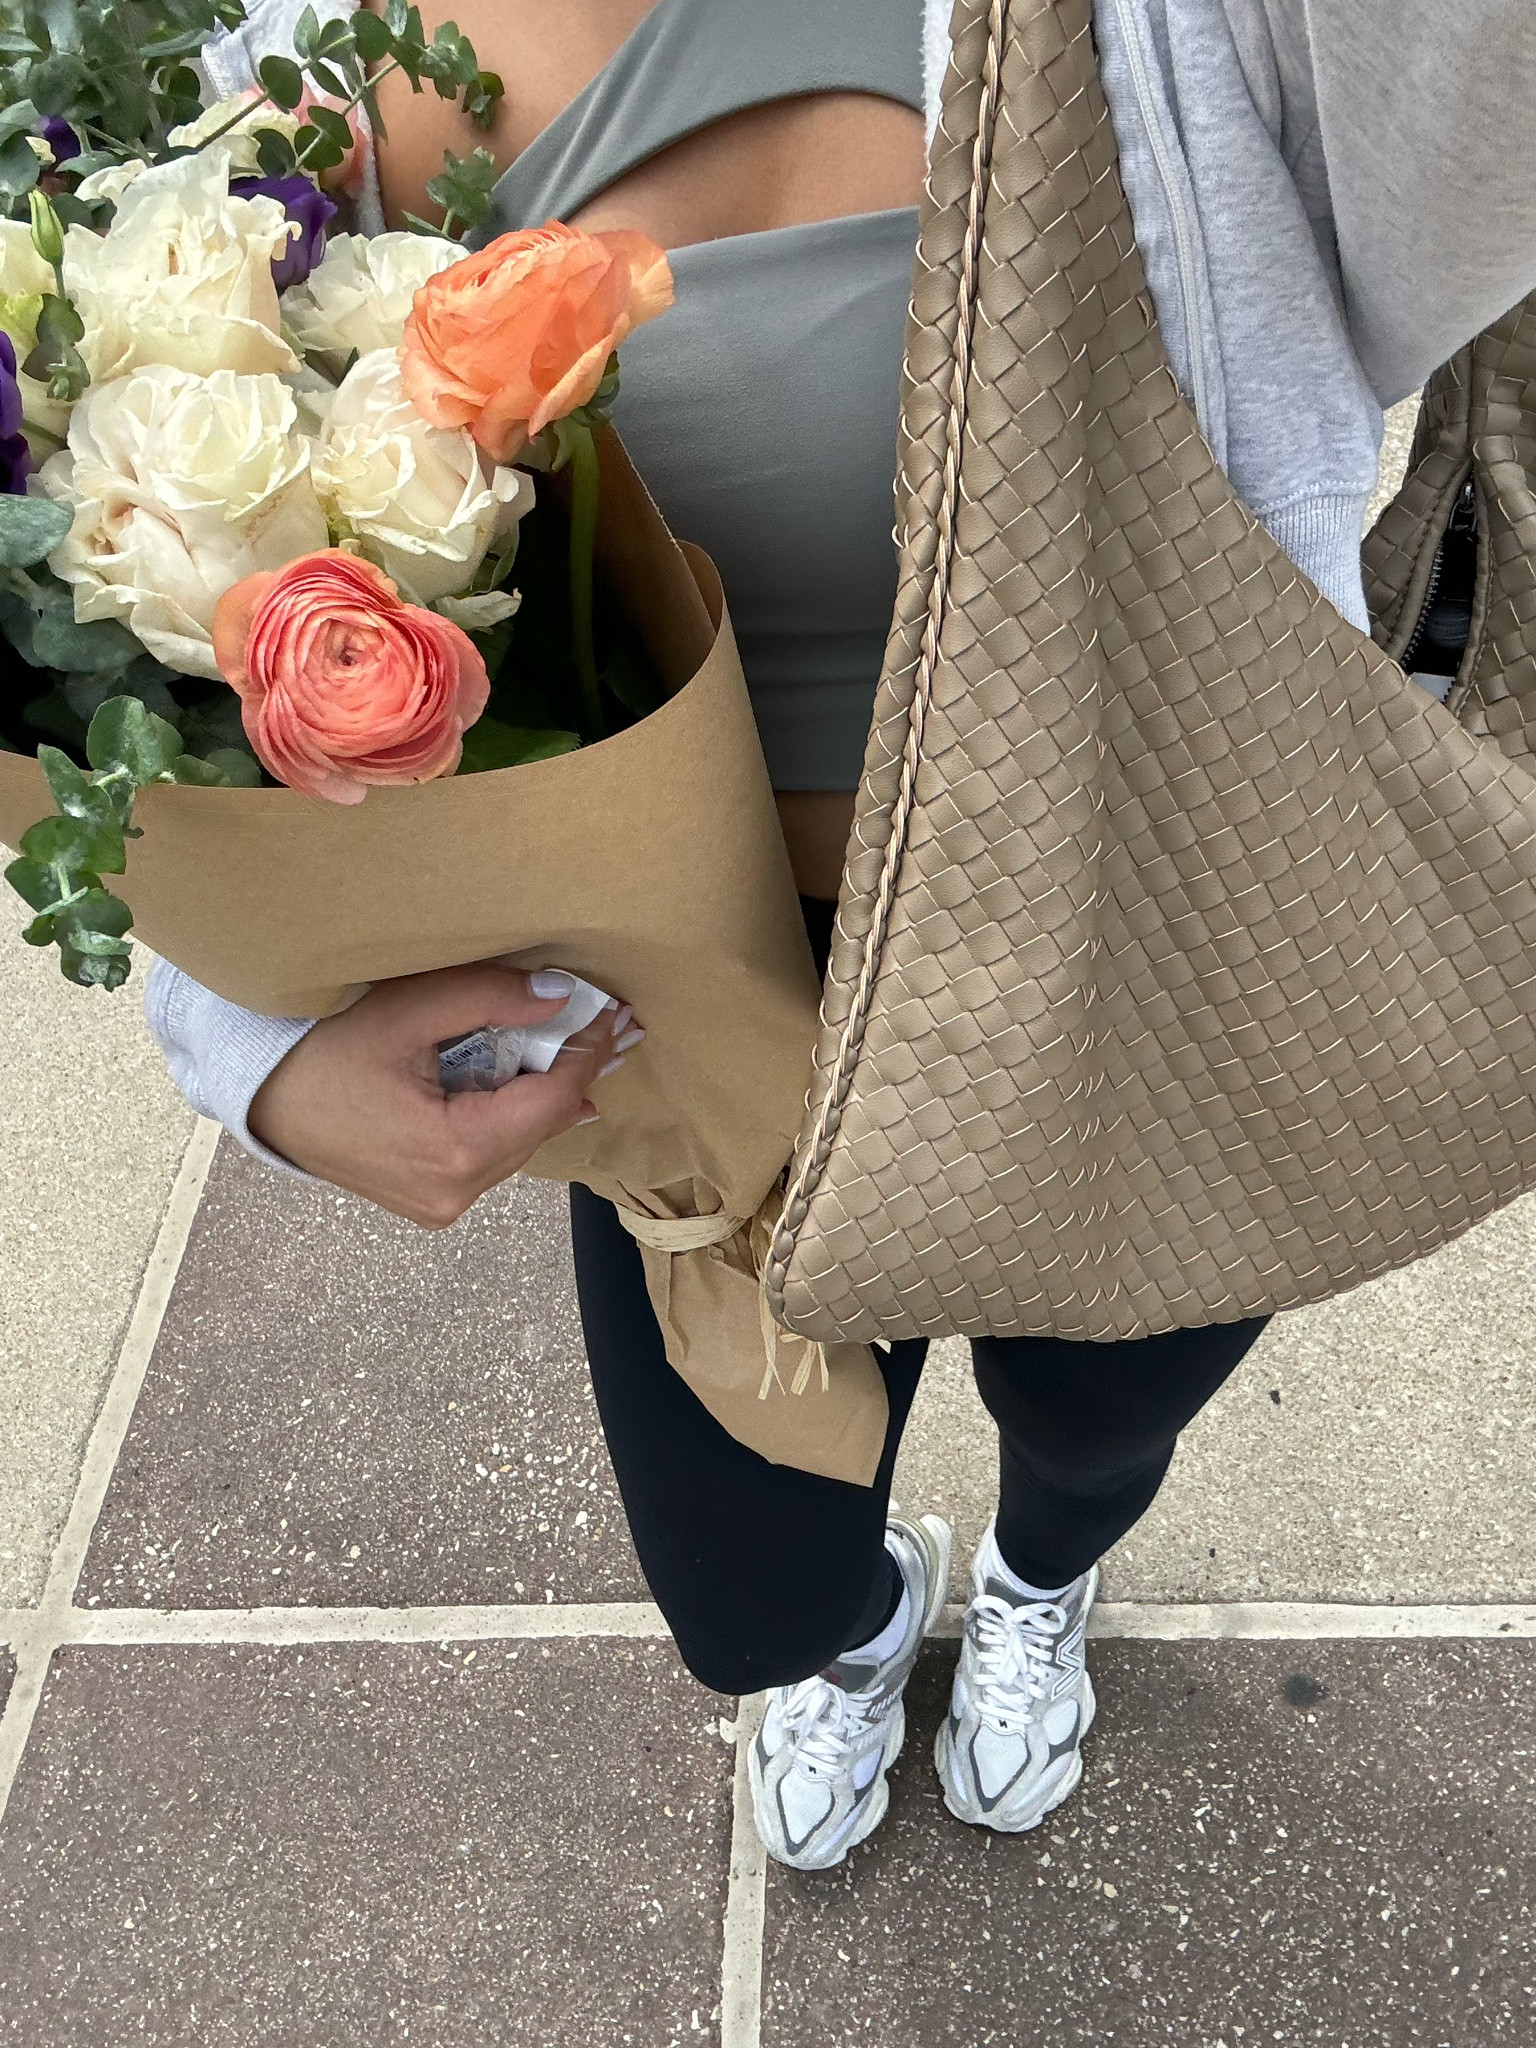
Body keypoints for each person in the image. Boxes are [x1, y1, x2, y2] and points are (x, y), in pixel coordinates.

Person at [155, 0, 1536, 1872]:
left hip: (1151, 957)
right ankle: (868, 1626)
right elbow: (164, 599)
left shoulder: (1205, 32)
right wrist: (252, 1054)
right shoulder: (309, 45)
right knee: (755, 1592)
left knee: (1093, 1419)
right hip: (677, 1034)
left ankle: (1039, 1579)